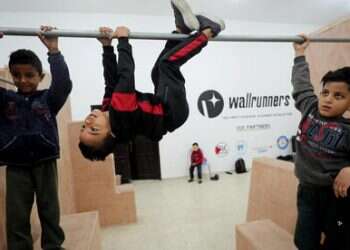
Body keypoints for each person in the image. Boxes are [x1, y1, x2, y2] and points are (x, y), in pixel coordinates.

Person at [78, 0, 225, 161]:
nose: (88, 121)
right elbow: (126, 75)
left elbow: (111, 81)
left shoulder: (109, 110)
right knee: (167, 65)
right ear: (110, 134)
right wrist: (123, 41)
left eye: (84, 127)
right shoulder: (120, 115)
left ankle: (181, 29)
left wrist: (107, 47)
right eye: (94, 129)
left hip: (163, 105)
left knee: (157, 72)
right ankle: (209, 31)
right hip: (173, 111)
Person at [0, 26, 72, 249]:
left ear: (40, 77)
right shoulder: (6, 100)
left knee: (49, 208)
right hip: (16, 165)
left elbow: (63, 84)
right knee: (16, 213)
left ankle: (53, 246)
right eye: (17, 76)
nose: (23, 81)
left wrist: (54, 51)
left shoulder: (48, 100)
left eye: (29, 75)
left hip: (45, 161)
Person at [292, 34, 350, 250]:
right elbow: (301, 86)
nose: (328, 99)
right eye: (325, 92)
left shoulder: (347, 129)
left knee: (338, 240)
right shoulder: (310, 108)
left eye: (338, 96)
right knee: (305, 241)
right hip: (306, 191)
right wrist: (300, 54)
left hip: (335, 197)